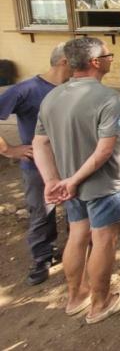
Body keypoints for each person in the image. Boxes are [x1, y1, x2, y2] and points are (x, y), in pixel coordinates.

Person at [32, 37, 120, 323]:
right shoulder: (108, 98)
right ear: (95, 62)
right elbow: (105, 149)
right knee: (104, 240)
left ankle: (76, 295)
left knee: (78, 235)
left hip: (72, 184)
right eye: (108, 55)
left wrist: (54, 181)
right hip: (104, 184)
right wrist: (70, 180)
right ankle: (101, 302)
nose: (111, 58)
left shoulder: (52, 97)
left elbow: (39, 143)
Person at [0, 44, 70, 285]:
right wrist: (9, 150)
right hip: (37, 166)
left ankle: (76, 249)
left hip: (72, 162)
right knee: (41, 212)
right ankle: (42, 257)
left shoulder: (73, 87)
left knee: (77, 208)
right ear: (64, 62)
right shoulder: (27, 89)